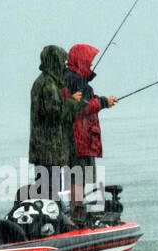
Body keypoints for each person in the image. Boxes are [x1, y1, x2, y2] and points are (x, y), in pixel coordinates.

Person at [62, 43, 117, 223]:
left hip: (76, 136)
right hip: (79, 137)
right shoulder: (75, 79)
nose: (91, 65)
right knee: (78, 177)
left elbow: (84, 99)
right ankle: (76, 217)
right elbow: (83, 106)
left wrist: (100, 99)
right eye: (89, 61)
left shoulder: (71, 77)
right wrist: (103, 102)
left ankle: (74, 213)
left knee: (77, 176)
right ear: (81, 60)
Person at [28, 45, 84, 202]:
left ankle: (49, 221)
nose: (64, 65)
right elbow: (56, 113)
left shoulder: (45, 82)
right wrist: (73, 101)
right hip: (48, 149)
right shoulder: (47, 84)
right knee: (48, 192)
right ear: (54, 61)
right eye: (62, 61)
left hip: (45, 149)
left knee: (48, 190)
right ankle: (48, 222)